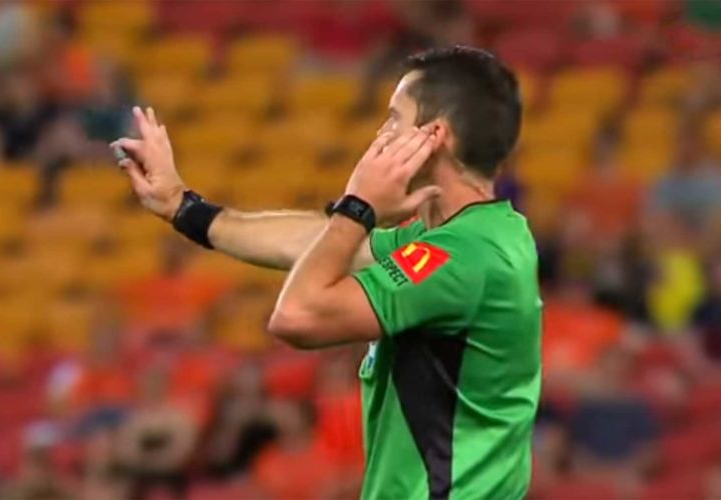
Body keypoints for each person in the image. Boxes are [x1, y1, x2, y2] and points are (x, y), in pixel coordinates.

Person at [113, 46, 541, 499]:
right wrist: (184, 207)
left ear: (435, 136)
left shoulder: (465, 257)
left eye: (394, 119)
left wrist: (359, 206)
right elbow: (312, 241)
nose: (380, 135)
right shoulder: (471, 236)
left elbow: (297, 316)